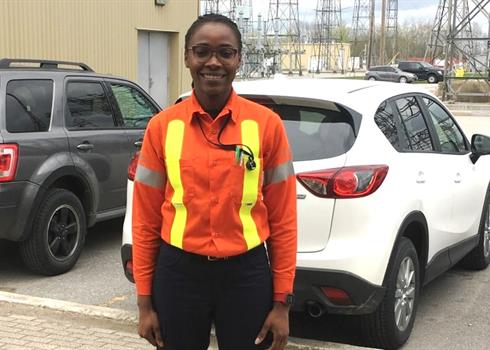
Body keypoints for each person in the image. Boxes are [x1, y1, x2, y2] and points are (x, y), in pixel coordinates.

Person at [132, 13, 297, 350]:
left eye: (225, 52)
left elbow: (284, 220)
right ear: (187, 58)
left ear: (238, 59)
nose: (213, 62)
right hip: (178, 273)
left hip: (246, 275)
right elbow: (145, 221)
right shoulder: (162, 128)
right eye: (202, 51)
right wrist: (144, 303)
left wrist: (282, 302)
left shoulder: (267, 125)